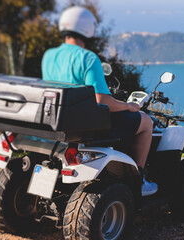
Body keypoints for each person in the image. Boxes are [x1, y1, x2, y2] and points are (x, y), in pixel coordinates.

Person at [41, 6, 157, 196]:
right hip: (85, 126)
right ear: (88, 29)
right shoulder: (87, 58)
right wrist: (128, 106)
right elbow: (101, 99)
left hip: (57, 120)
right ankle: (140, 179)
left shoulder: (49, 56)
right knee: (145, 122)